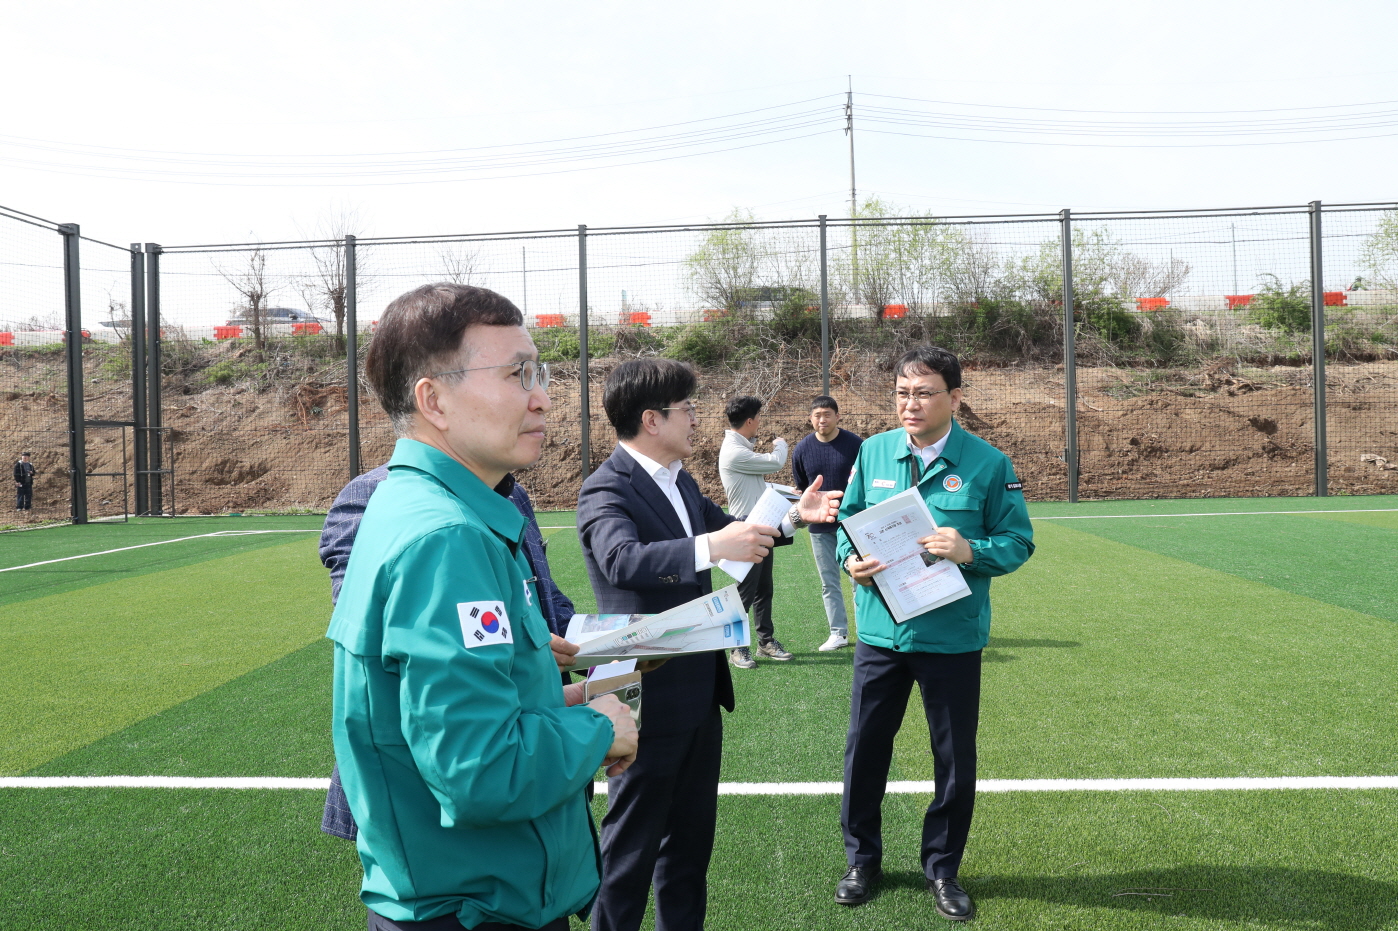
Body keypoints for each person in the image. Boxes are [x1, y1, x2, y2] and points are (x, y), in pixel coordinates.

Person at [329, 282, 639, 931]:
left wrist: (561, 702)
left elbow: (457, 717)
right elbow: (479, 772)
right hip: (476, 909)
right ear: (433, 400)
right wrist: (602, 728)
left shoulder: (429, 505)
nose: (542, 395)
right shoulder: (448, 538)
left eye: (541, 371)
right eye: (517, 374)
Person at [577, 358, 842, 931]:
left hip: (699, 692)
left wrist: (795, 516)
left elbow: (734, 531)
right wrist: (709, 547)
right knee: (628, 852)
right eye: (687, 410)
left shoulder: (683, 482)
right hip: (642, 699)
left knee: (689, 848)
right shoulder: (605, 487)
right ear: (652, 419)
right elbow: (621, 561)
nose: (697, 419)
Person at [834, 346, 1033, 922]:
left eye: (923, 393)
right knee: (865, 749)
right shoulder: (872, 452)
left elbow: (1018, 542)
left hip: (951, 637)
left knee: (953, 757)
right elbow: (849, 523)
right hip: (879, 634)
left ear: (954, 398)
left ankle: (943, 868)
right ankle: (861, 860)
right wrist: (851, 560)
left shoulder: (989, 464)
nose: (910, 404)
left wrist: (971, 550)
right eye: (902, 393)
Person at [318, 465, 578, 843]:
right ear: (435, 404)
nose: (540, 403)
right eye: (518, 399)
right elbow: (373, 619)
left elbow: (546, 601)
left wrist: (623, 644)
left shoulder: (510, 493)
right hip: (427, 785)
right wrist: (523, 644)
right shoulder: (374, 496)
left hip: (533, 748)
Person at [717, 395, 792, 668]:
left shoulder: (741, 448)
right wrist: (781, 444)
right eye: (758, 418)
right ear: (749, 421)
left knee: (763, 589)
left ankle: (766, 642)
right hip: (745, 529)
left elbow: (758, 487)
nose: (759, 423)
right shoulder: (735, 451)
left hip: (760, 524)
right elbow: (775, 462)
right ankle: (737, 648)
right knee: (745, 592)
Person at [791, 396, 863, 652]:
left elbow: (864, 479)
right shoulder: (802, 449)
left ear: (837, 416)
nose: (822, 420)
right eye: (817, 415)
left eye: (827, 414)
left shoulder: (855, 444)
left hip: (852, 524)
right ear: (811, 419)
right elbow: (802, 486)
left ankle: (865, 631)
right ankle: (838, 633)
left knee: (859, 579)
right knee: (828, 582)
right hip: (820, 528)